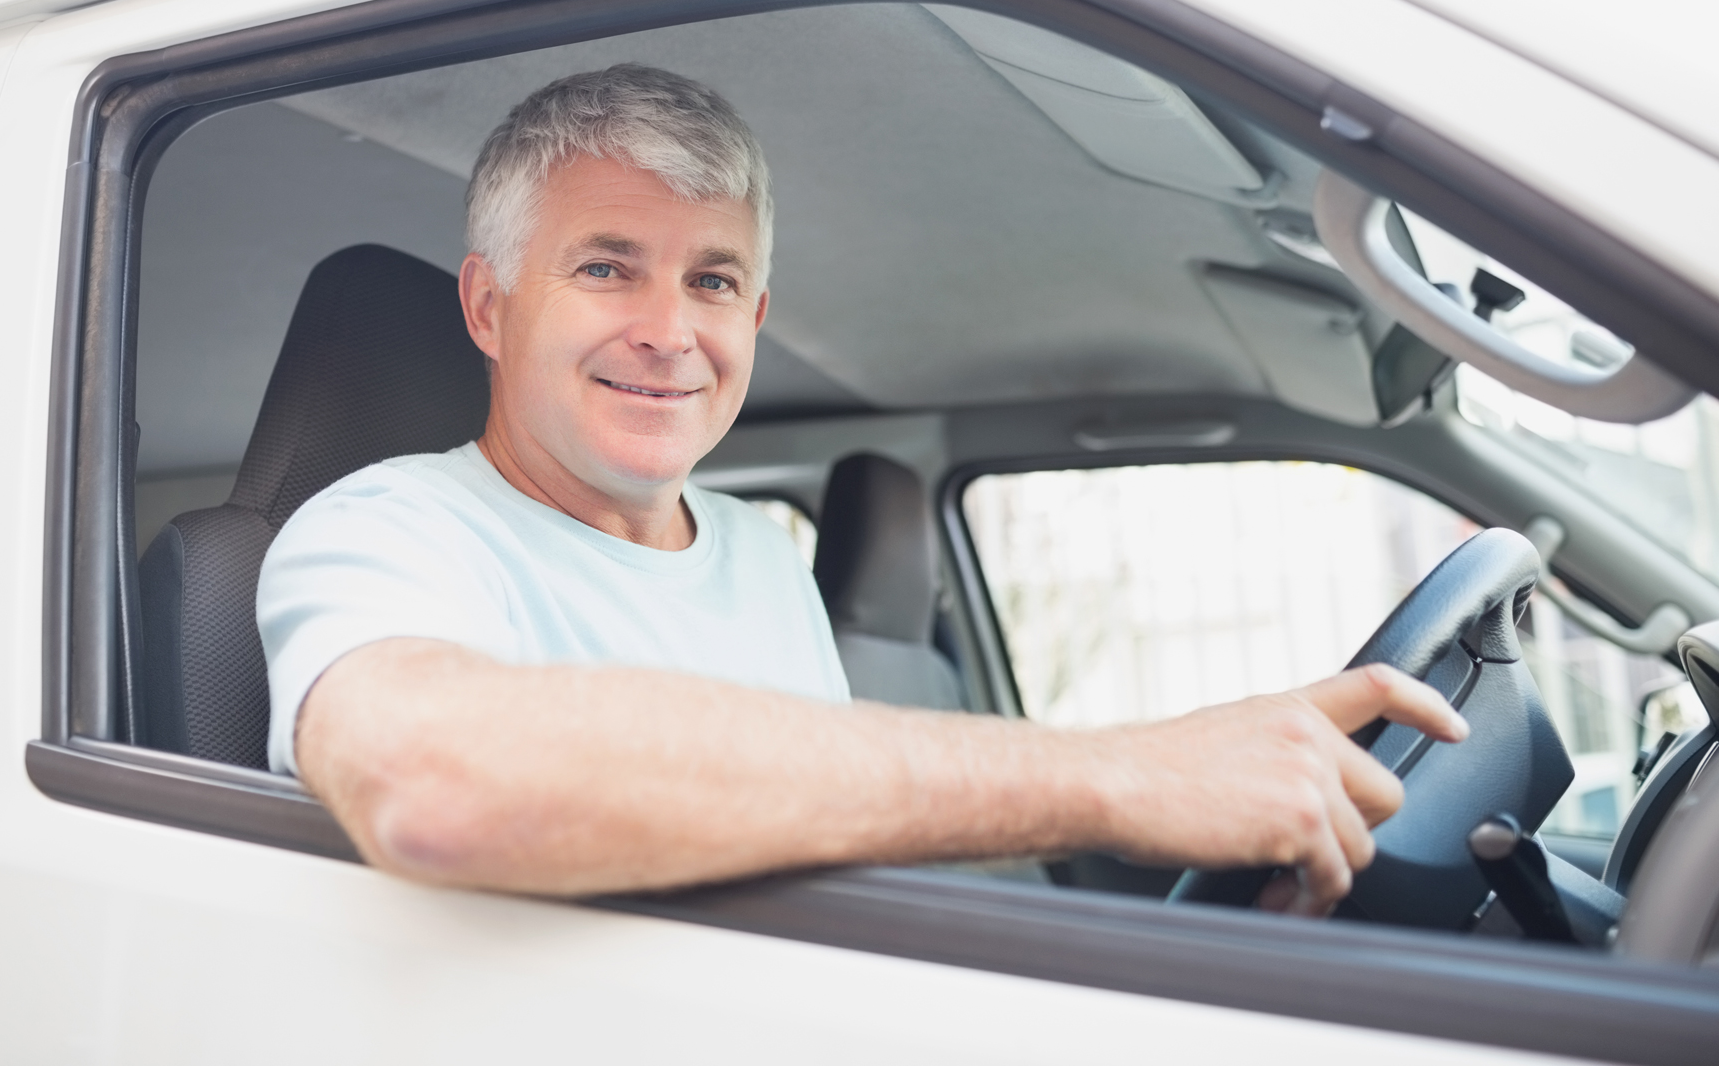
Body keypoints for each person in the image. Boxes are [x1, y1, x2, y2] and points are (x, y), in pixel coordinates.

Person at [260, 64, 1467, 915]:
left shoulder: (758, 555)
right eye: (606, 267)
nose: (671, 332)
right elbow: (438, 789)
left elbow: (829, 859)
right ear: (488, 305)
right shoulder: (383, 532)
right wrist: (1119, 774)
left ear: (756, 316)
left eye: (716, 281)